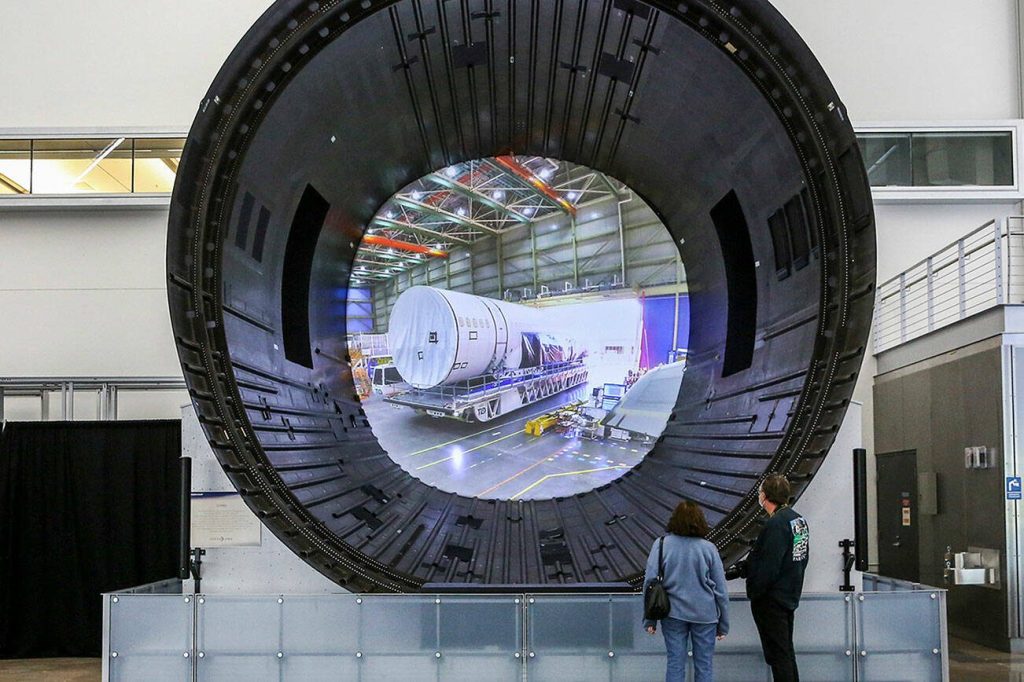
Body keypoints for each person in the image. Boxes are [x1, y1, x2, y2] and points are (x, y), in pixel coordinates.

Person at [643, 500, 729, 682]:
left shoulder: (661, 544)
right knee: (704, 666)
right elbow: (721, 590)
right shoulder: (709, 549)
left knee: (675, 663)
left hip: (672, 614)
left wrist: (649, 619)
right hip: (705, 616)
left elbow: (650, 583)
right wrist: (724, 623)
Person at [741, 475, 810, 682]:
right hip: (789, 596)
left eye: (761, 491)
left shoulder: (776, 525)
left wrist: (754, 590)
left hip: (772, 601)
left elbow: (769, 567)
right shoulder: (798, 521)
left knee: (778, 656)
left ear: (766, 496)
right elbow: (801, 558)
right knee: (786, 653)